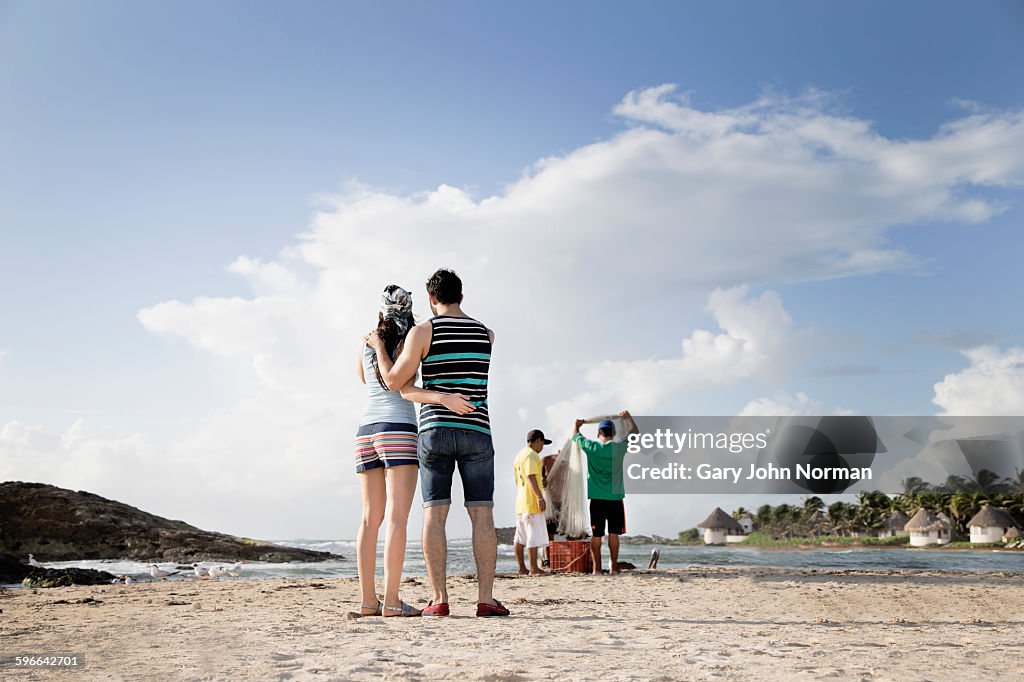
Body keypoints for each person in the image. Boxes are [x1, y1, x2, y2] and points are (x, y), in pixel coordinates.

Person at [369, 269, 508, 617]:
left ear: (431, 299)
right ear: (462, 296)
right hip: (478, 430)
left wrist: (440, 397)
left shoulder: (423, 331)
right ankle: (486, 599)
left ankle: (439, 598)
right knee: (482, 514)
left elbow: (396, 383)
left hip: (435, 431)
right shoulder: (486, 334)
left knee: (435, 513)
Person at [357, 284, 475, 617]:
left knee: (369, 519)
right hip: (398, 429)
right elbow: (396, 382)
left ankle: (368, 601)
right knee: (396, 518)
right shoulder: (412, 339)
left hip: (365, 431)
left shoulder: (367, 340)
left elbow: (365, 380)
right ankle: (392, 601)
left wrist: (376, 345)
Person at [572, 410, 638, 574]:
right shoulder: (619, 448)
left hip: (596, 499)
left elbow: (575, 436)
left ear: (599, 432)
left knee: (597, 535)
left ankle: (596, 569)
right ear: (614, 433)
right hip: (615, 498)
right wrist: (628, 418)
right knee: (614, 534)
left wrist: (577, 425)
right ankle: (614, 567)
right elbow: (635, 433)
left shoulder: (592, 447)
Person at [513, 429, 551, 575]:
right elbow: (530, 476)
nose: (542, 447)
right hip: (531, 502)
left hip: (520, 502)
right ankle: (534, 568)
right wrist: (539, 497)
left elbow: (524, 478)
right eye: (542, 443)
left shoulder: (519, 456)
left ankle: (522, 568)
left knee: (520, 536)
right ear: (538, 440)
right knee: (532, 535)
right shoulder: (532, 455)